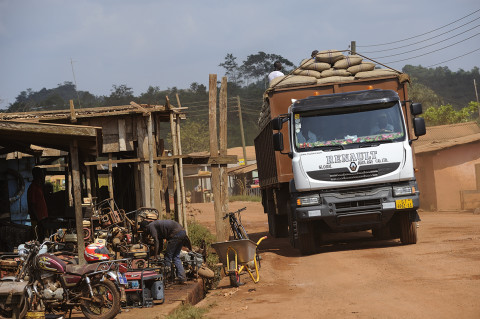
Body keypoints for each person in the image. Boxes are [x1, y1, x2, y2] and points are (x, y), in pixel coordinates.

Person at [140, 219, 190, 283]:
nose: (145, 232)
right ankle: (182, 278)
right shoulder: (157, 226)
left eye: (143, 230)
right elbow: (160, 243)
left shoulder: (151, 226)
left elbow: (156, 241)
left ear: (145, 228)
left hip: (176, 234)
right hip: (182, 232)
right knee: (175, 256)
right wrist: (158, 253)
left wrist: (155, 255)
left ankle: (168, 278)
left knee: (167, 256)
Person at [27, 166, 49, 240]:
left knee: (43, 238)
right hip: (37, 220)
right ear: (37, 176)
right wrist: (38, 219)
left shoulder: (39, 187)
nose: (43, 176)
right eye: (42, 174)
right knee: (38, 239)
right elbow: (32, 205)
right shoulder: (33, 188)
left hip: (42, 218)